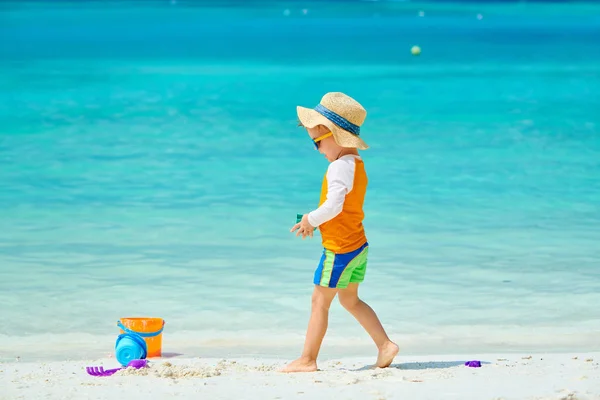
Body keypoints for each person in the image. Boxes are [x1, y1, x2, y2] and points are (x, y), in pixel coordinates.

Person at [282, 92, 398, 373]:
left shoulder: (338, 168)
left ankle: (308, 359)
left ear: (333, 134)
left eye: (317, 142)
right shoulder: (356, 165)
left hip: (340, 249)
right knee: (350, 299)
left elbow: (333, 206)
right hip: (359, 246)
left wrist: (310, 219)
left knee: (319, 302)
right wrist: (315, 221)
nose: (317, 149)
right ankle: (385, 345)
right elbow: (344, 207)